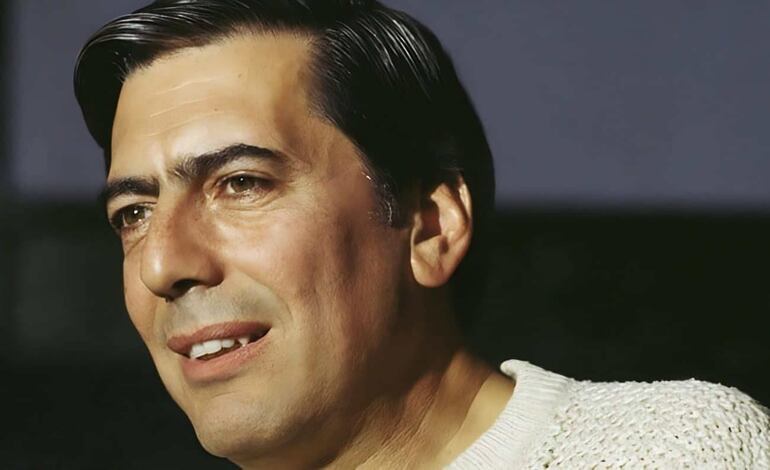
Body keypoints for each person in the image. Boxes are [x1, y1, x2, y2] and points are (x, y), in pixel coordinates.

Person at [74, 0, 769, 467]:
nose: (162, 263)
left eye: (242, 183)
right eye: (133, 213)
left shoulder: (670, 451)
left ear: (432, 227)